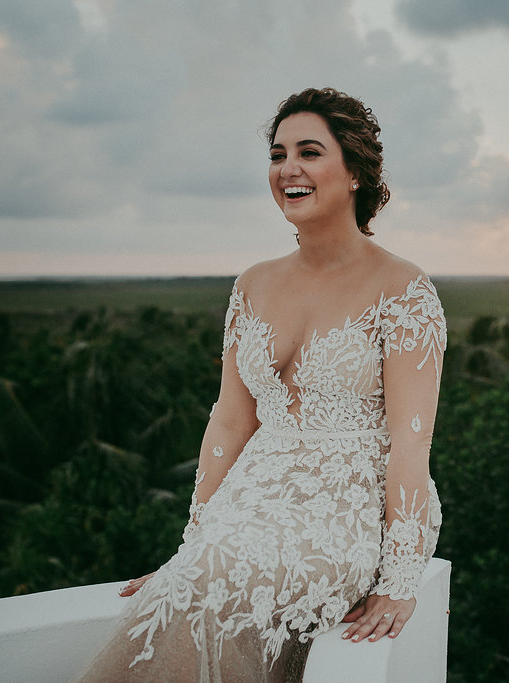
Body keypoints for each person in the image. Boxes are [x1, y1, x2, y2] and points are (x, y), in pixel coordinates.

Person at [75, 87, 445, 682]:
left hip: (342, 512)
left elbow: (411, 443)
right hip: (247, 504)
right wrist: (190, 547)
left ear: (354, 172)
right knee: (187, 585)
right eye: (277, 155)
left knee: (210, 582)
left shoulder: (403, 290)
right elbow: (230, 420)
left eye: (308, 151)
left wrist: (399, 581)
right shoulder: (251, 285)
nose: (288, 169)